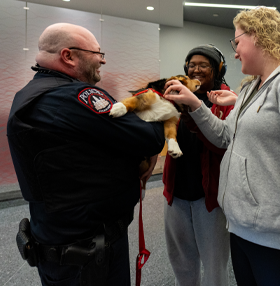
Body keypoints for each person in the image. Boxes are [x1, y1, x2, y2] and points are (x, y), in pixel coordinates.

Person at [163, 7, 280, 286]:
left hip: (279, 243)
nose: (235, 52)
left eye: (237, 42)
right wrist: (197, 105)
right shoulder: (251, 88)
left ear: (258, 36)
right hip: (243, 232)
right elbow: (225, 136)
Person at [7, 23, 164, 286]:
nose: (102, 60)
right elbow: (149, 136)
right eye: (97, 53)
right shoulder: (76, 96)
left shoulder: (29, 95)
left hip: (59, 244)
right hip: (91, 256)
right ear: (68, 56)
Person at [162, 44, 234, 286]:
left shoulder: (227, 99)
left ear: (217, 69)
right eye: (192, 65)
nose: (196, 69)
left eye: (203, 65)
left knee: (214, 264)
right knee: (181, 261)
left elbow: (223, 144)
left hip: (210, 197)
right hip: (177, 193)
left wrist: (195, 111)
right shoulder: (175, 95)